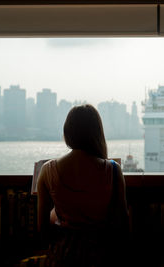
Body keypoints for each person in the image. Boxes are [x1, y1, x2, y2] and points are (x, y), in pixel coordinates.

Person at [37, 104, 129, 267]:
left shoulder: (48, 170)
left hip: (62, 256)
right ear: (97, 133)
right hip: (102, 256)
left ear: (67, 132)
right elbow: (121, 225)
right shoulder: (113, 170)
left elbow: (43, 230)